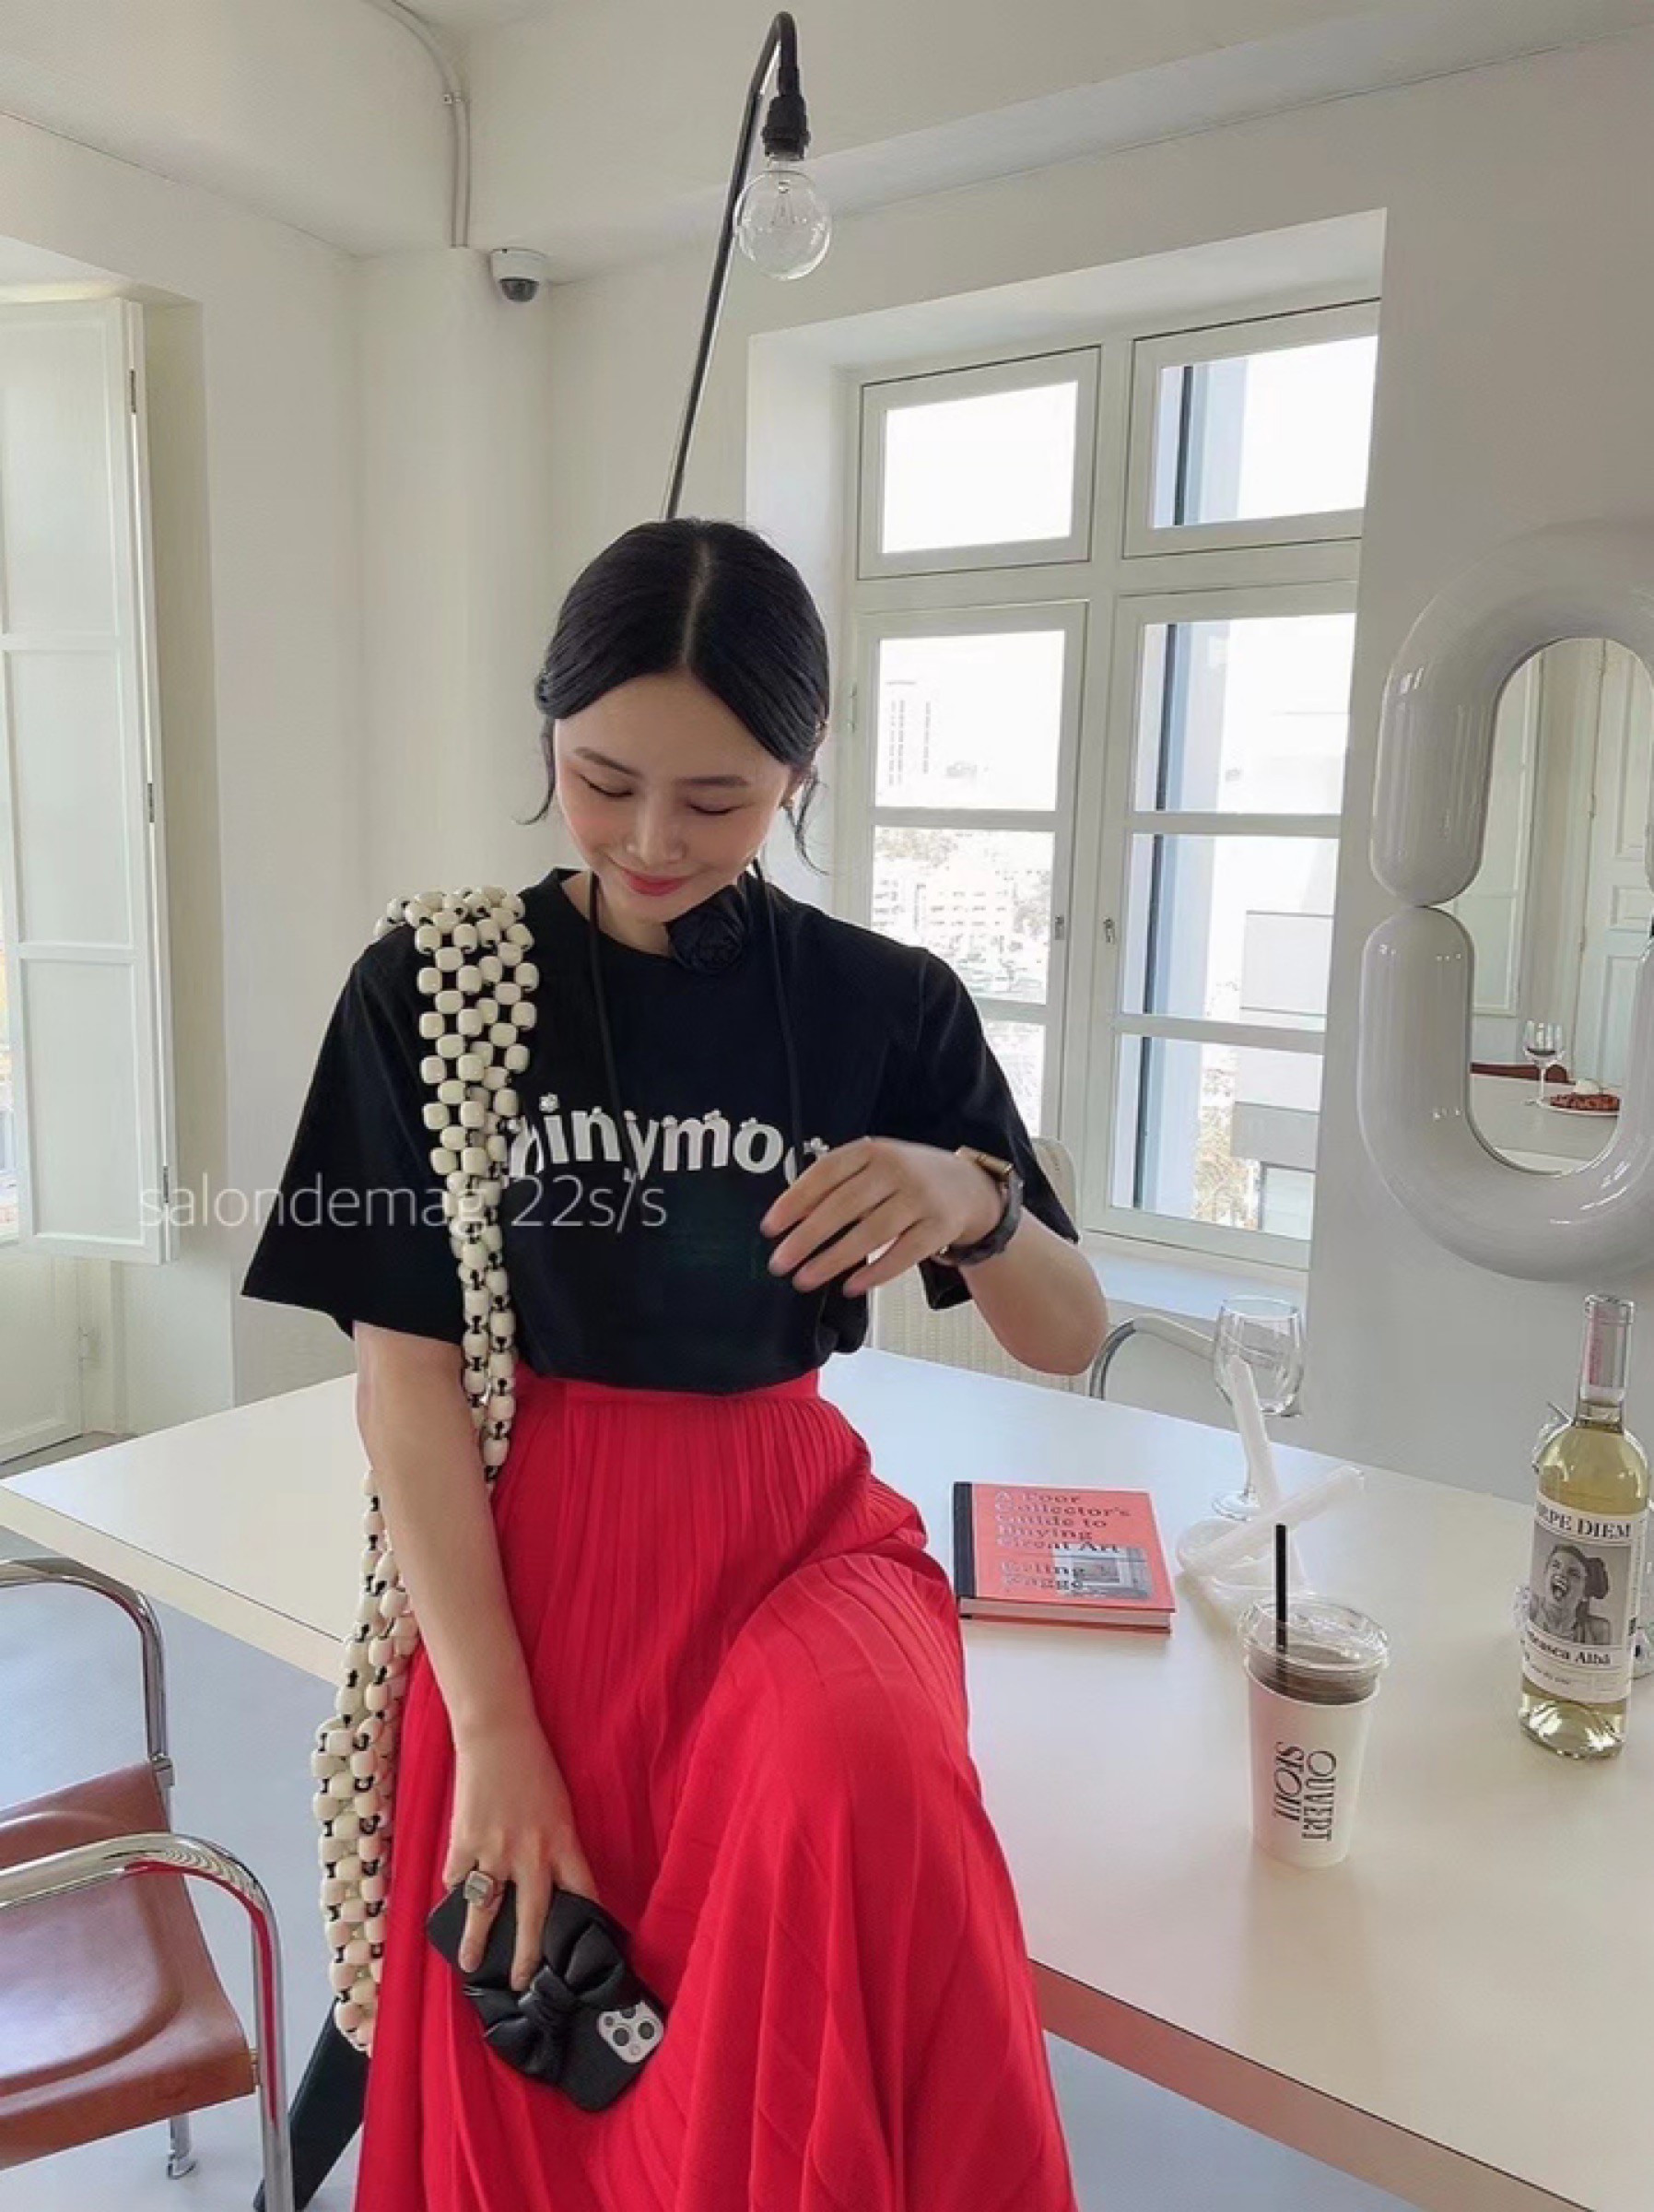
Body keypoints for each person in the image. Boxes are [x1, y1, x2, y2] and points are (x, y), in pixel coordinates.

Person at [241, 516, 1109, 2211]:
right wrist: (493, 1724)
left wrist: (974, 1198)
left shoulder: (882, 1004)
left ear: (803, 765)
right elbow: (405, 1384)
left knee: (856, 1789)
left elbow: (1066, 1332)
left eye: (717, 800)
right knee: (551, 2064)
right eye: (601, 779)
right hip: (524, 1564)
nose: (651, 841)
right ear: (548, 731)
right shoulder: (434, 990)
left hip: (793, 1538)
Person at [1529, 1540, 1613, 1647]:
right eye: (1555, 1565)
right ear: (1545, 1574)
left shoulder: (1596, 1630)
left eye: (1573, 1573)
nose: (1560, 1574)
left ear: (1585, 1594)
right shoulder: (1531, 1607)